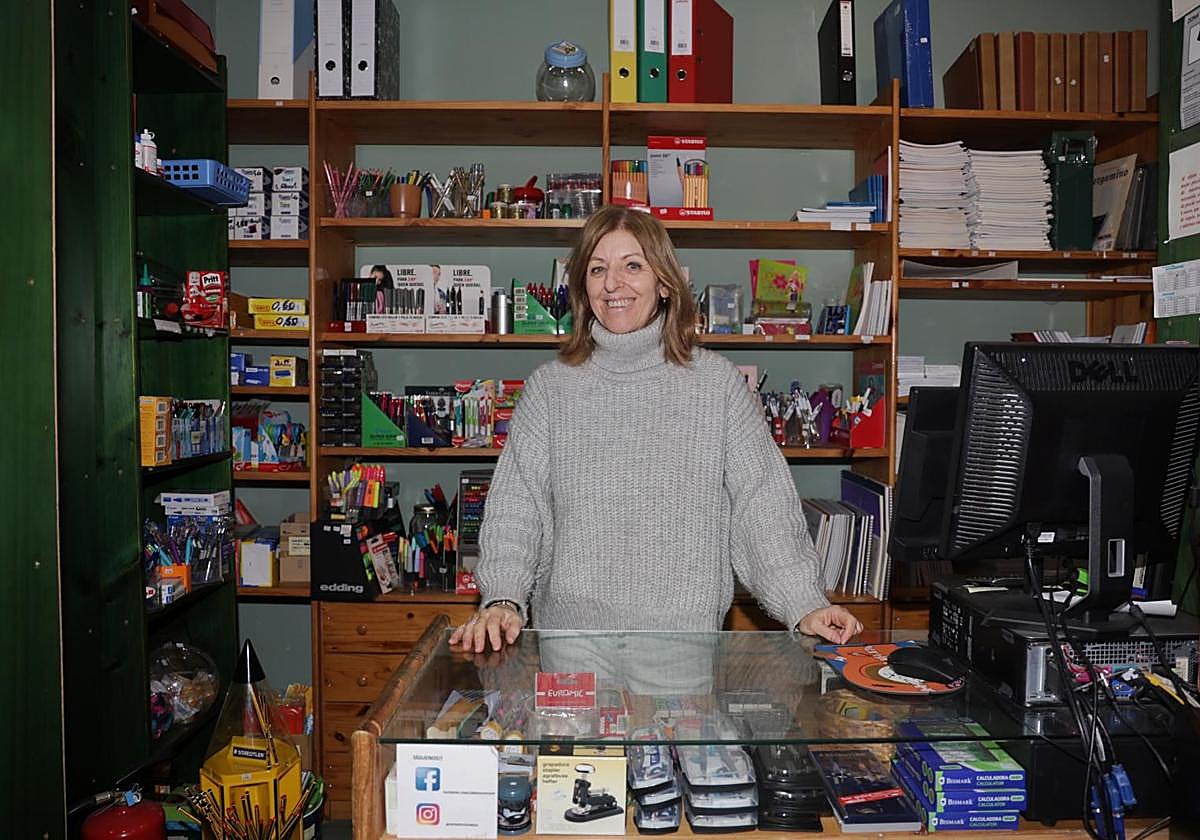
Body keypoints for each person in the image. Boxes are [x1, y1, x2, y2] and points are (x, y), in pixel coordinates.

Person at [451, 205, 863, 653]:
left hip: (682, 646)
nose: (613, 284)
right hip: (572, 646)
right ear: (583, 289)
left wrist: (804, 602)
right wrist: (504, 596)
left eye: (633, 266)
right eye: (597, 269)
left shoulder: (716, 384)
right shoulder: (549, 388)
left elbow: (761, 505)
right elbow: (517, 508)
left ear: (664, 282)